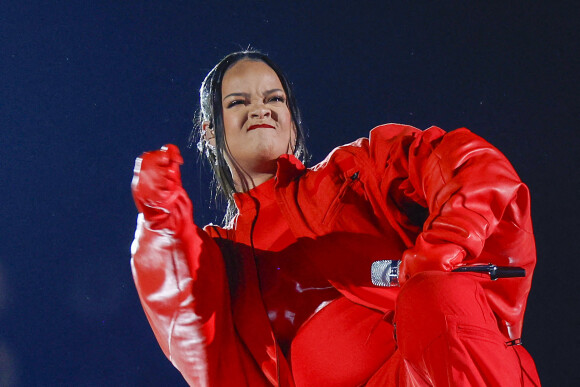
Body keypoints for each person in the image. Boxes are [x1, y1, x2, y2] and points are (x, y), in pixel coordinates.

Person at [130, 50, 540, 386]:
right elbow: (181, 300)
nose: (261, 109)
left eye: (275, 99)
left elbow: (462, 162)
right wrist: (159, 217)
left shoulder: (351, 173)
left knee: (434, 294)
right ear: (208, 132)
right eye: (238, 102)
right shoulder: (222, 258)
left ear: (291, 120)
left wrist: (446, 244)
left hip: (427, 373)